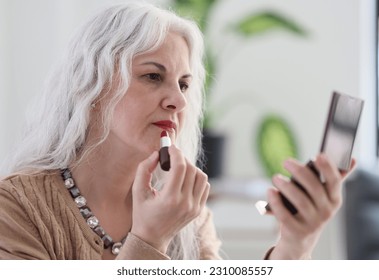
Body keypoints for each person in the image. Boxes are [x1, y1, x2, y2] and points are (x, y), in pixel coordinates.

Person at [0, 1, 355, 260]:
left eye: (184, 85)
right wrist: (151, 237)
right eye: (153, 77)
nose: (178, 101)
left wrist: (295, 242)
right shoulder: (16, 208)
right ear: (93, 87)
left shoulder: (188, 213)